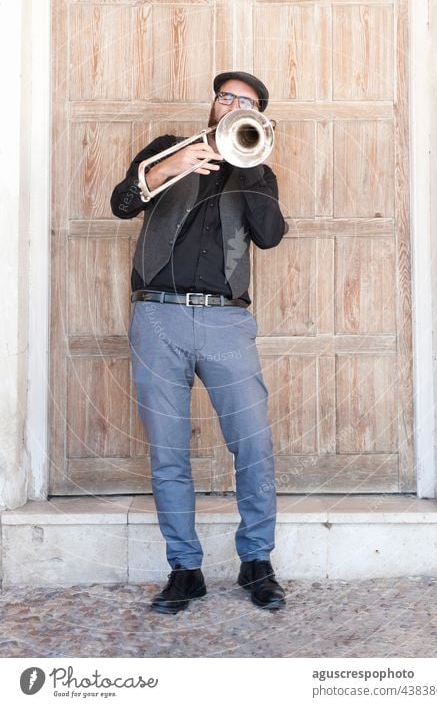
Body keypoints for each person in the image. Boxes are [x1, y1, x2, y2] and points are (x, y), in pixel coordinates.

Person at [111, 71, 288, 613]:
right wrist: (172, 166)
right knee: (169, 453)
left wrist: (248, 164)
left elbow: (271, 236)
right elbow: (122, 203)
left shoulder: (258, 168)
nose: (232, 104)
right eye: (226, 97)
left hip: (225, 323)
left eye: (246, 101)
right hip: (157, 318)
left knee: (253, 446)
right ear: (214, 104)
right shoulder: (168, 149)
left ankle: (256, 561)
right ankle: (184, 570)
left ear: (258, 115)